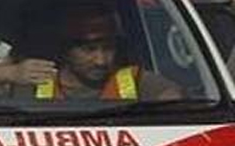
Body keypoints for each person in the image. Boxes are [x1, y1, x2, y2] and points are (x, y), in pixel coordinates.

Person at [32, 6, 182, 102]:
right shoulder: (38, 81)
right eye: (89, 49)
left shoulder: (135, 80)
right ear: (66, 49)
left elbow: (175, 101)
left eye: (108, 48)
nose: (101, 61)